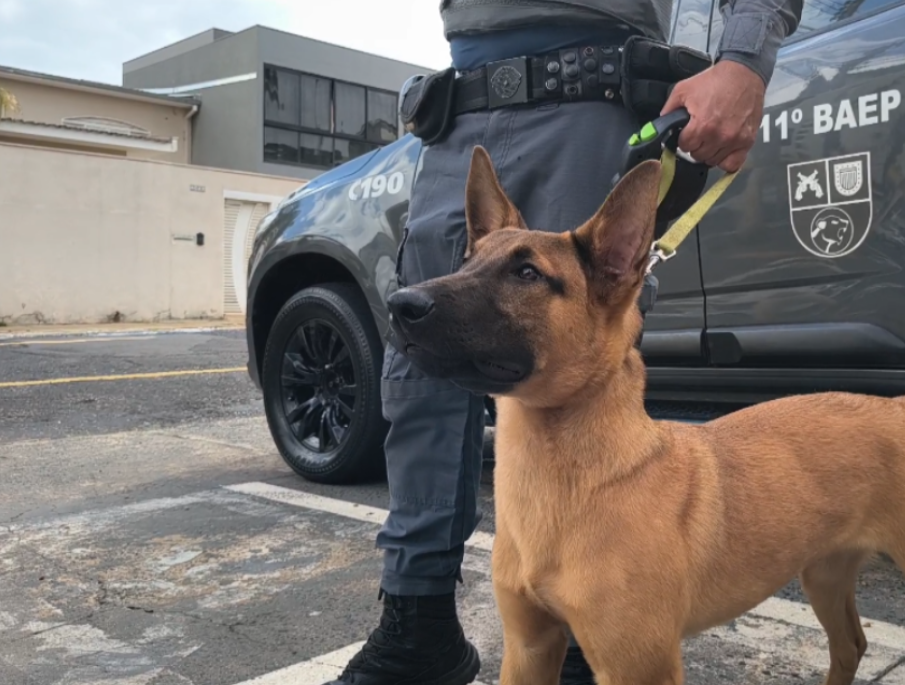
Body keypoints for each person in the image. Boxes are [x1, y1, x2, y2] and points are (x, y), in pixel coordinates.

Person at [325, 1, 803, 684]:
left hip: (592, 88)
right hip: (459, 106)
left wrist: (744, 58)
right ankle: (417, 618)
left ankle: (591, 630)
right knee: (419, 370)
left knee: (583, 366)